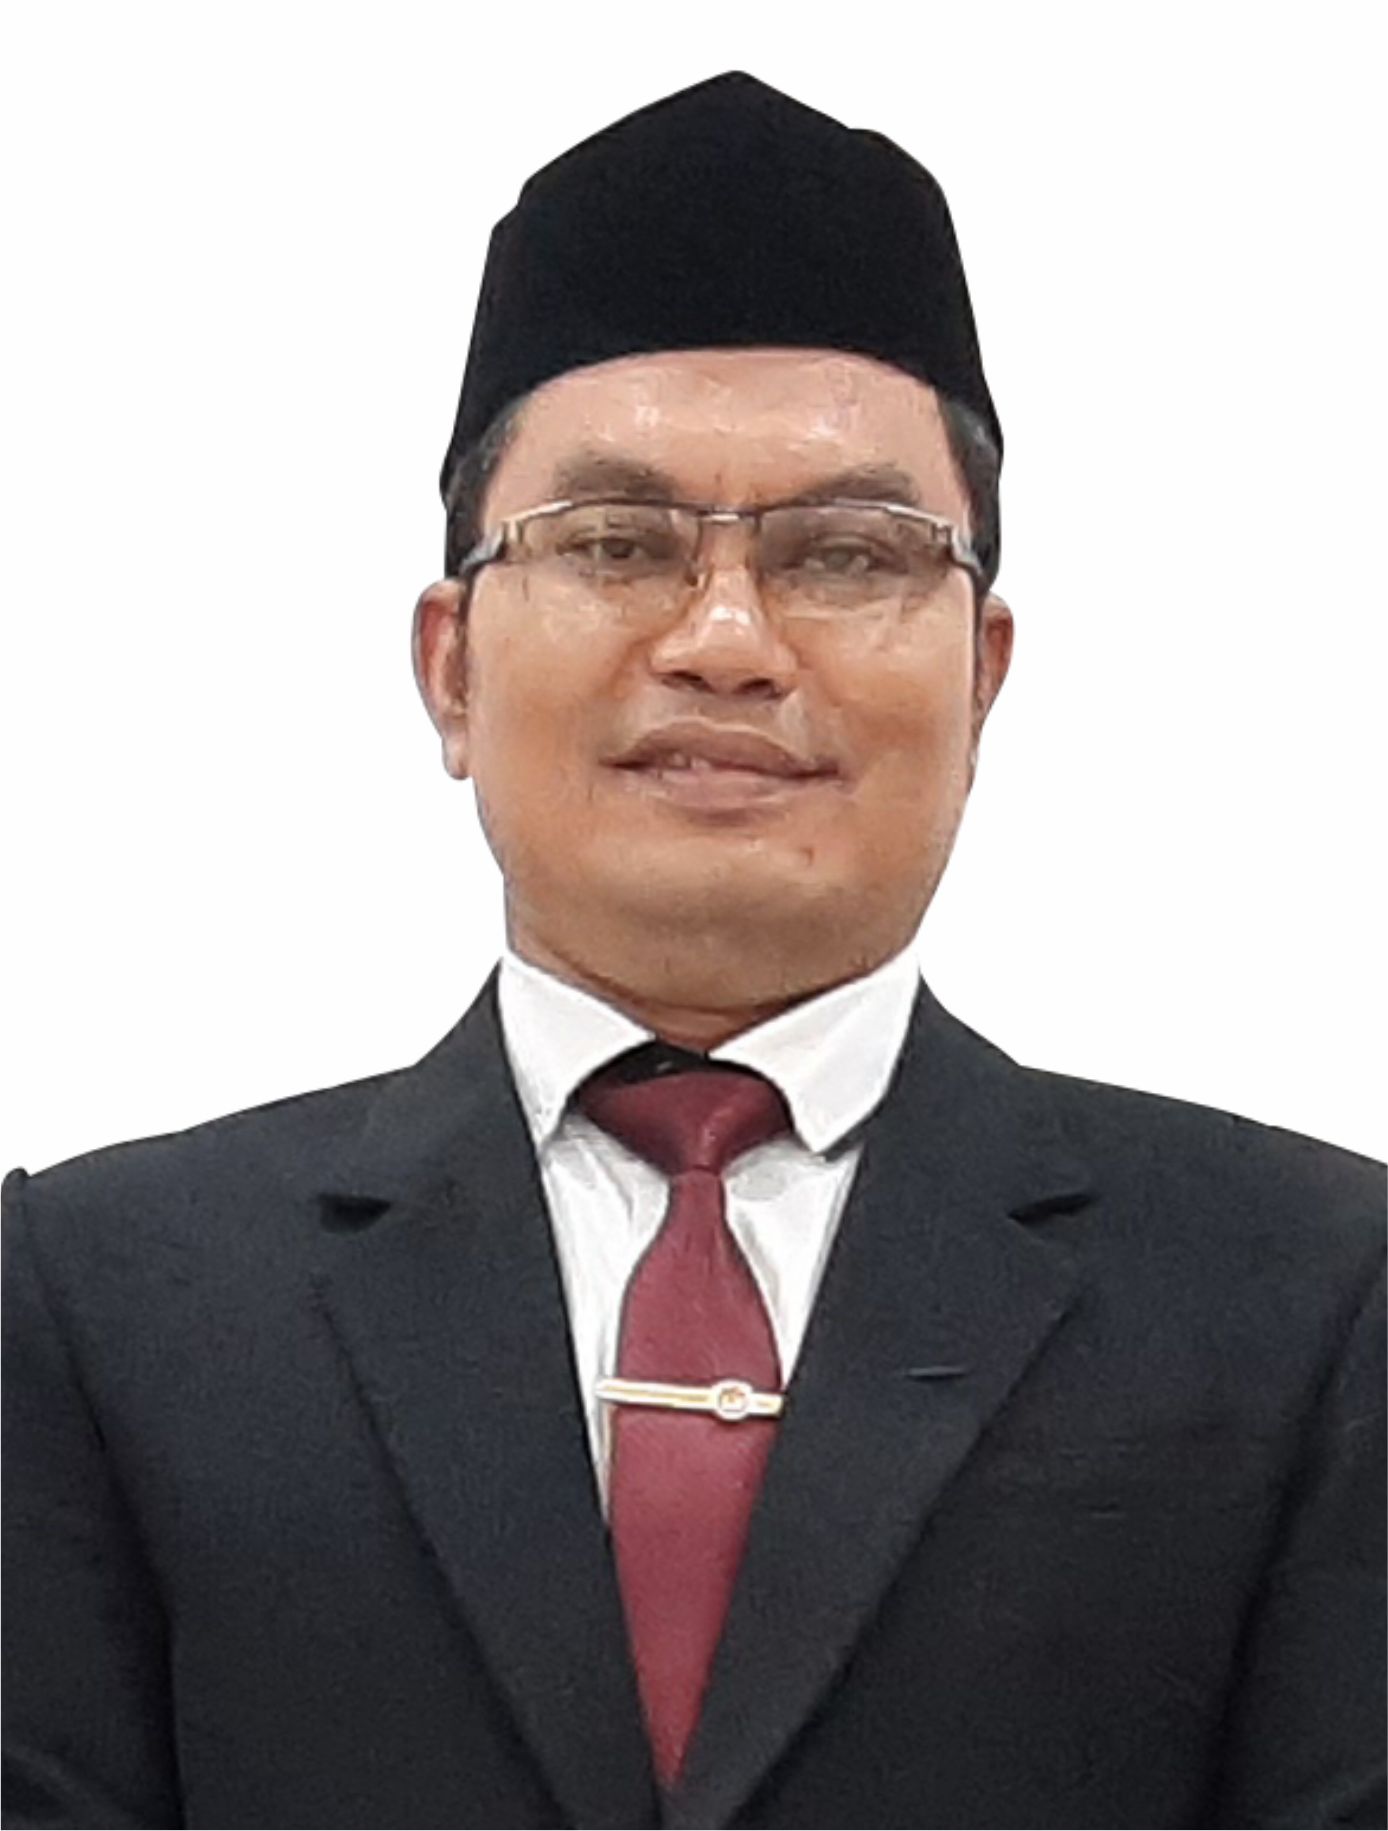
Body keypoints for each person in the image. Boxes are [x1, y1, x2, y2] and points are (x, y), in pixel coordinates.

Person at [3, 70, 1383, 1831]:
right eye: (615, 544)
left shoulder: (1313, 1297)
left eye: (850, 555)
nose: (726, 639)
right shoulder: (102, 1303)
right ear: (449, 665)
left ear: (983, 675)